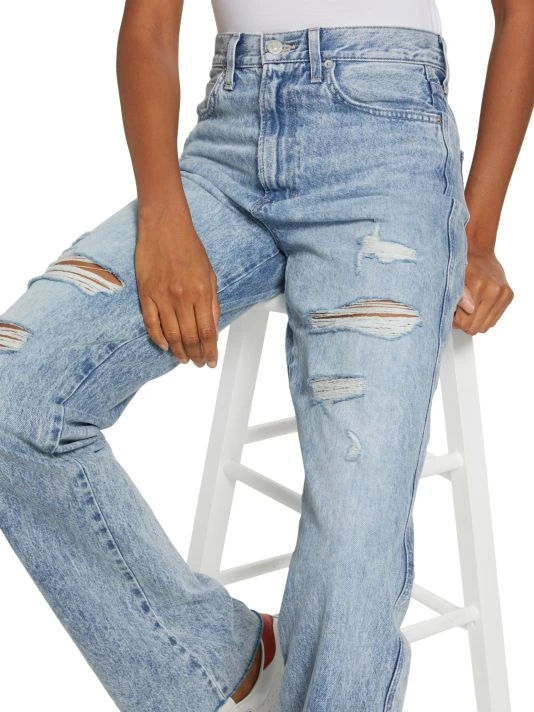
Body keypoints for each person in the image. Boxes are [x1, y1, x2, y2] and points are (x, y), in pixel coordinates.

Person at [0, 0, 530, 710]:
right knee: (16, 391)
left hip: (388, 149)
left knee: (356, 529)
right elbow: (150, 28)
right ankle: (223, 661)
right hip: (226, 147)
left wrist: (477, 230)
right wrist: (163, 214)